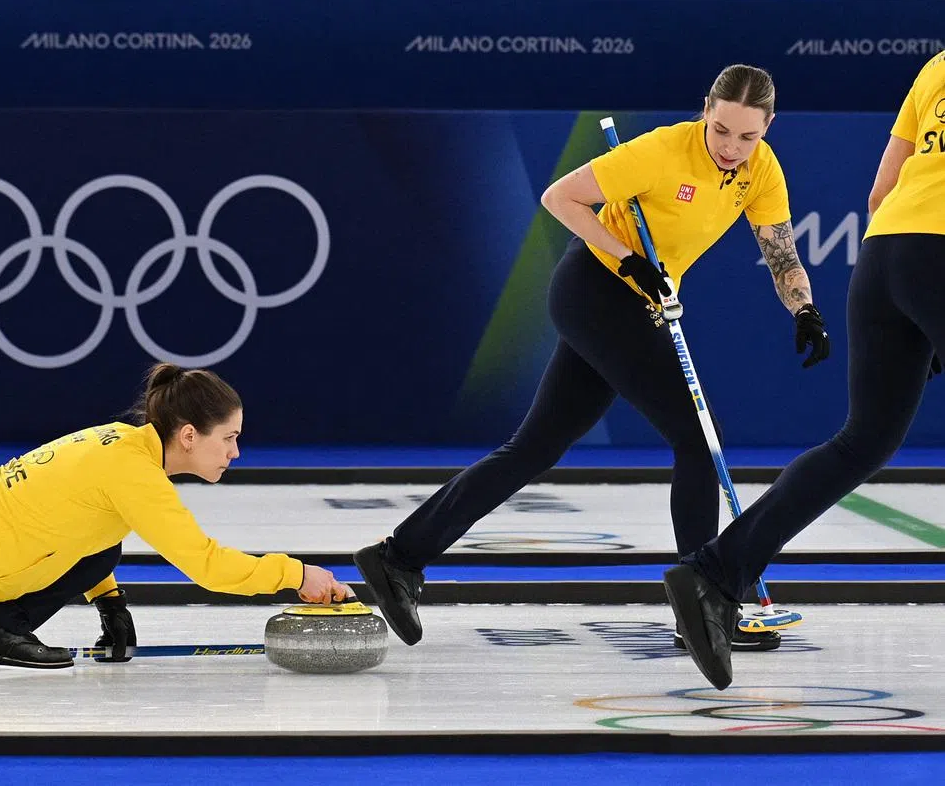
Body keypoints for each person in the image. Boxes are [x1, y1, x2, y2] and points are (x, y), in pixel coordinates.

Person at [355, 64, 830, 653]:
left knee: (534, 448)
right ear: (705, 110)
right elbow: (561, 197)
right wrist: (629, 258)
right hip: (596, 291)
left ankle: (397, 557)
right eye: (721, 131)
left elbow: (781, 254)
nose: (731, 148)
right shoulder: (661, 150)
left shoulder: (761, 171)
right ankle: (704, 600)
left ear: (768, 128)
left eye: (747, 137)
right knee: (698, 436)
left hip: (638, 304)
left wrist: (805, 310)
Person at [666, 51, 945, 692]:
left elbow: (881, 194)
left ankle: (714, 571)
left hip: (886, 255)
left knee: (865, 441)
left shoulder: (935, 68)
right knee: (865, 442)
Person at [0, 364, 351, 669]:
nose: (235, 452)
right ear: (189, 435)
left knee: (103, 548)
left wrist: (108, 600)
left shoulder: (126, 447)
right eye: (229, 438)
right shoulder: (133, 473)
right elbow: (209, 567)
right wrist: (297, 574)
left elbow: (80, 530)